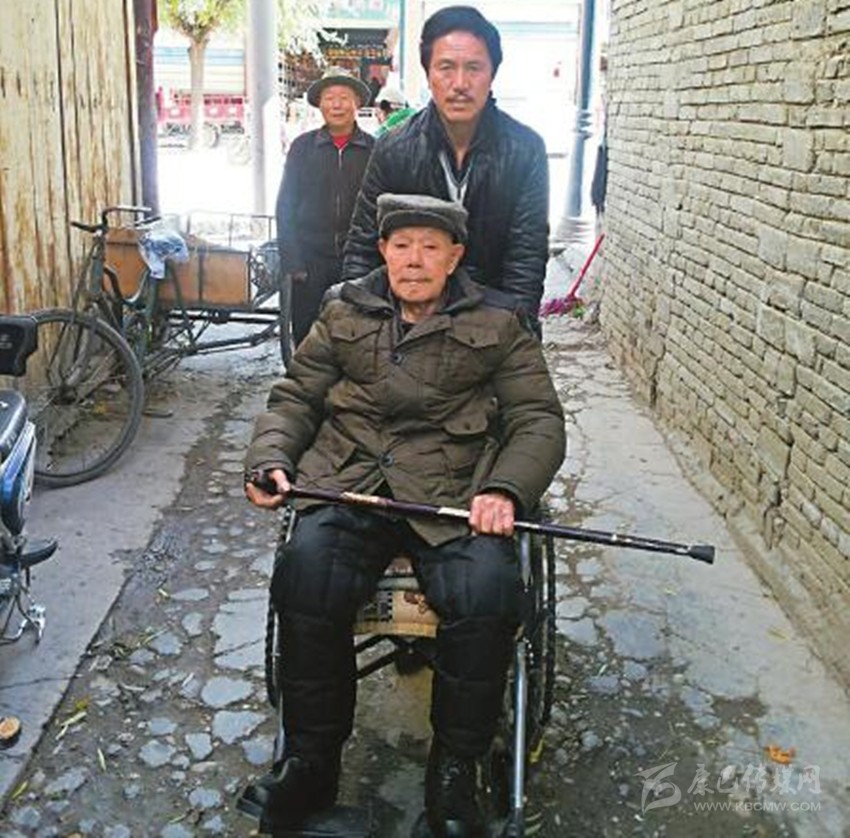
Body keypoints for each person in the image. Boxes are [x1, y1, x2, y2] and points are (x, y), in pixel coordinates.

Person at [244, 193, 566, 836]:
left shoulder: (499, 322)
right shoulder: (342, 309)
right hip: (350, 481)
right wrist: (271, 458)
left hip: (452, 491)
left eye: (429, 247)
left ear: (455, 257)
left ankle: (455, 776)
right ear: (384, 252)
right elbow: (296, 397)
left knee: (487, 592)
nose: (413, 260)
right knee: (306, 576)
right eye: (401, 246)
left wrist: (505, 491)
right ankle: (309, 763)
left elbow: (537, 419)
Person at [342, 6, 550, 331]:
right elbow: (364, 247)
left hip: (491, 322)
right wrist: (359, 331)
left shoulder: (524, 150)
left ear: (492, 74)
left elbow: (526, 259)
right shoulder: (394, 149)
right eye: (446, 67)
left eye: (474, 68)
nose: (460, 83)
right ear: (428, 74)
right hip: (409, 325)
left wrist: (514, 335)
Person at [275, 66, 375, 347]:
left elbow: (380, 207)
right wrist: (292, 260)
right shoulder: (302, 147)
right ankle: (306, 376)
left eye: (344, 98)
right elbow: (286, 204)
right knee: (308, 332)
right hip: (310, 259)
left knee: (357, 331)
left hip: (358, 259)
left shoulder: (374, 149)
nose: (337, 105)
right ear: (320, 104)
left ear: (357, 103)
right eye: (330, 98)